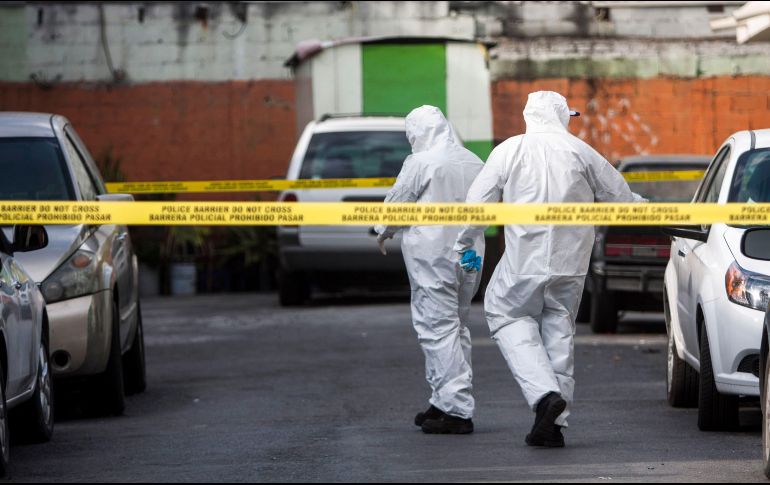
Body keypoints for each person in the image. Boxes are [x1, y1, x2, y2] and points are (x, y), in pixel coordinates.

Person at [454, 91, 645, 447]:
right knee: (559, 332)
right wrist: (651, 208)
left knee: (505, 314)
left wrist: (463, 243)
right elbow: (620, 196)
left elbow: (477, 204)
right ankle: (554, 424)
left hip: (523, 261)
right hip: (571, 263)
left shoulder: (509, 151)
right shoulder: (579, 151)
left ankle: (544, 396)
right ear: (560, 115)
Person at [375, 105, 485, 434]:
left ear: (419, 133)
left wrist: (383, 230)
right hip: (470, 257)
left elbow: (399, 202)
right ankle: (442, 400)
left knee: (438, 329)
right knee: (457, 327)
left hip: (433, 257)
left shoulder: (421, 162)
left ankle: (456, 411)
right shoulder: (474, 160)